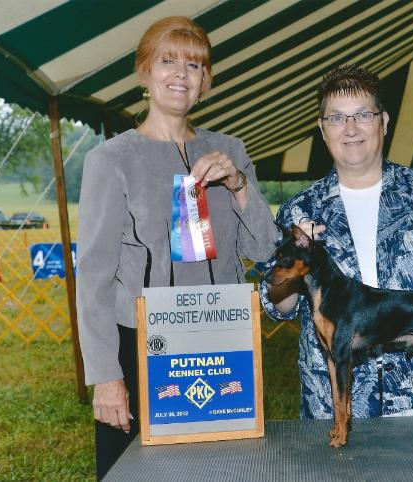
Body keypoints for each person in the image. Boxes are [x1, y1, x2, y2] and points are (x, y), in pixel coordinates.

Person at [76, 16, 277, 480]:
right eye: (168, 60)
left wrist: (239, 183)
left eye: (194, 65)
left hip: (224, 340)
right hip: (141, 344)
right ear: (144, 71)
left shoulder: (230, 148)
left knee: (226, 471)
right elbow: (93, 278)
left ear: (205, 81)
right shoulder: (110, 160)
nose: (180, 74)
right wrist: (106, 375)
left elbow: (265, 250)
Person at [260, 65, 413, 420]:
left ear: (383, 122)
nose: (350, 129)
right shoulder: (298, 210)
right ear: (322, 129)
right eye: (336, 118)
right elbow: (276, 304)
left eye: (363, 115)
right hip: (330, 406)